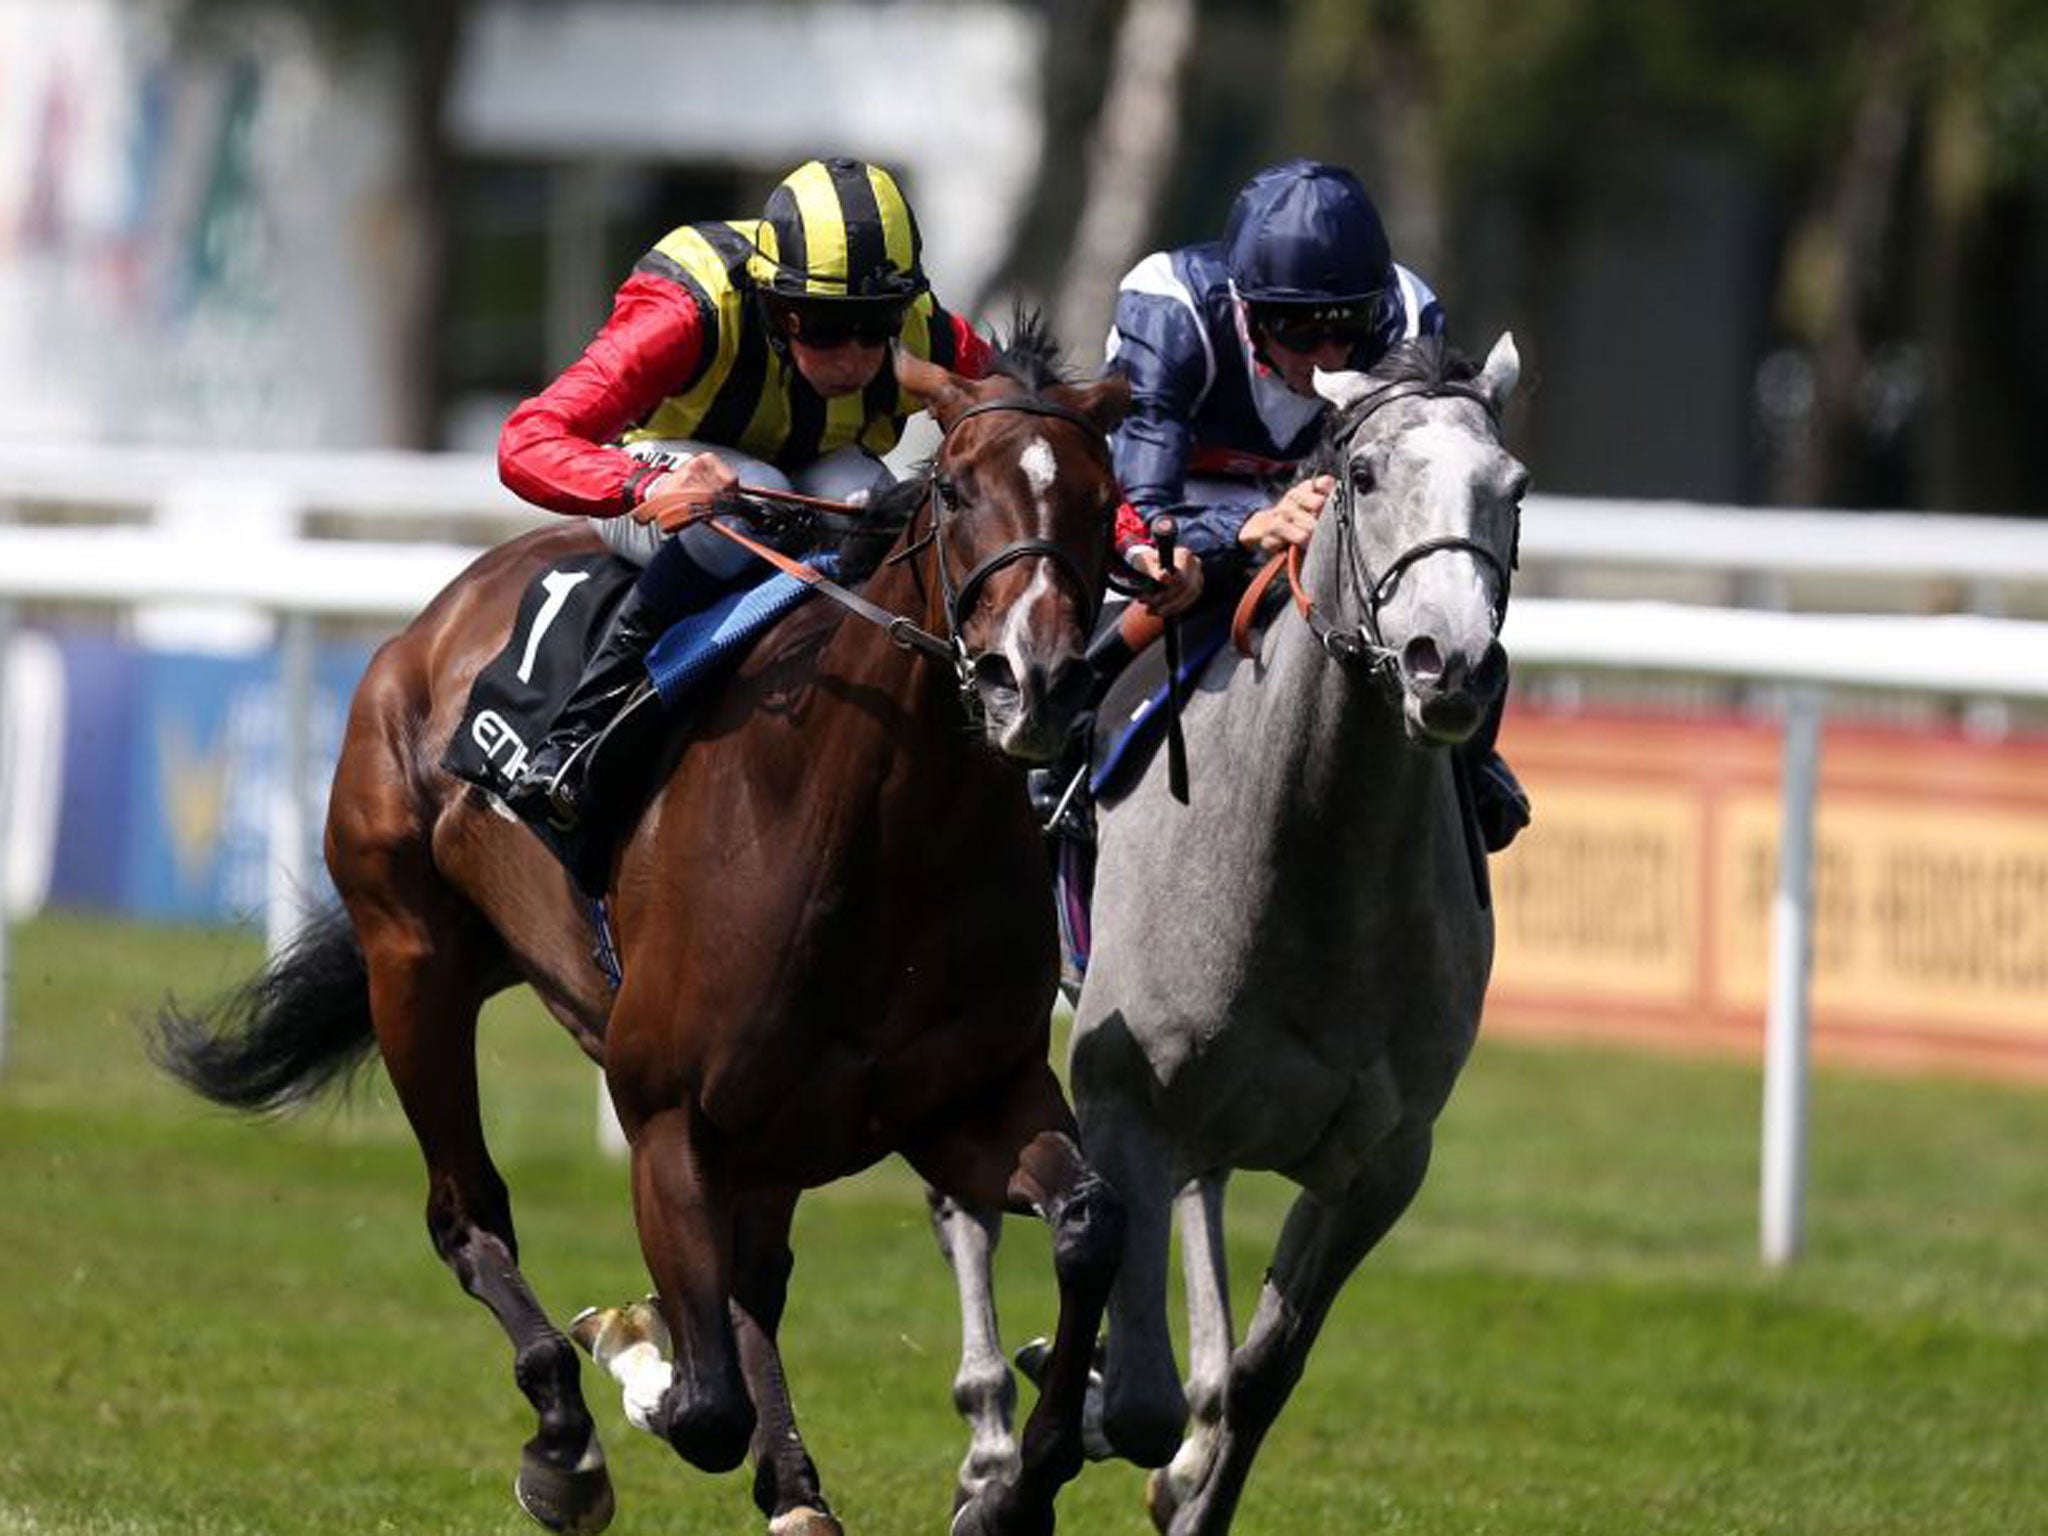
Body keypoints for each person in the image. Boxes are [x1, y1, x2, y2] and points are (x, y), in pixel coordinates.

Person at [494, 157, 994, 830]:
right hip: (666, 477)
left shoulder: (931, 332)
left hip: (808, 481)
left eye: (874, 325)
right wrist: (648, 483)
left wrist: (1135, 543)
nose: (851, 356)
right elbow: (525, 440)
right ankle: (579, 734)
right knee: (750, 494)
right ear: (774, 303)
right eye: (821, 326)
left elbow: (1042, 442)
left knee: (868, 503)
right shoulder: (684, 311)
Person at [1101, 157, 1529, 850]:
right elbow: (1137, 516)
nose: (1329, 356)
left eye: (1349, 326)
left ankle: (1470, 769)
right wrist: (1243, 530)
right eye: (1299, 331)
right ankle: (1060, 732)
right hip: (1181, 500)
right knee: (1121, 612)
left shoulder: (1409, 314)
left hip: (1325, 502)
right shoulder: (1170, 307)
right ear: (1247, 309)